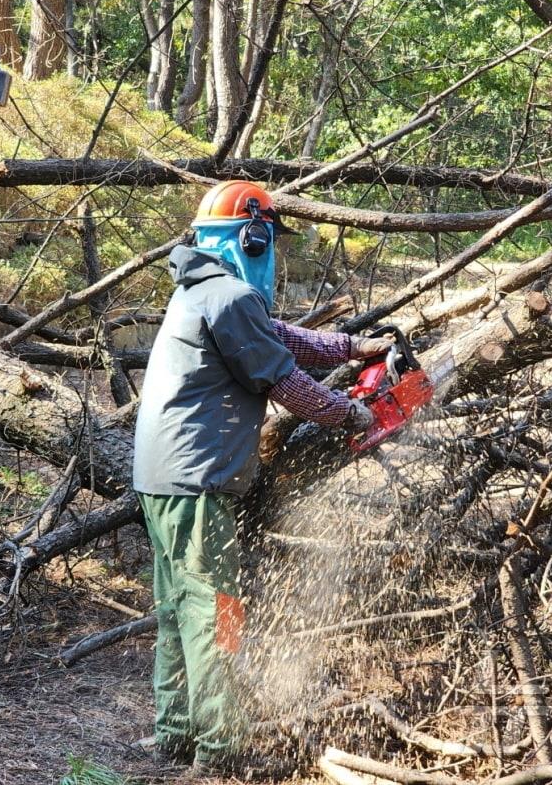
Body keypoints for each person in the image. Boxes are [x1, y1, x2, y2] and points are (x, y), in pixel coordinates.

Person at [132, 180, 394, 776]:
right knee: (217, 607)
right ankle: (219, 745)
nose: (271, 250)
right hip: (197, 479)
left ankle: (174, 732)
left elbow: (284, 339)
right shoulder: (228, 297)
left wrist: (356, 345)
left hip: (162, 478)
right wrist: (353, 412)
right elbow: (286, 382)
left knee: (178, 608)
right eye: (268, 237)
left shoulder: (201, 290)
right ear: (249, 235)